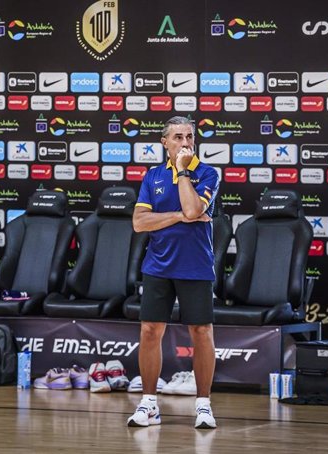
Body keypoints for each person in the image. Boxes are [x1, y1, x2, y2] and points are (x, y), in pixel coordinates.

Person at [127, 116, 220, 429]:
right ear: (164, 142)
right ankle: (149, 404)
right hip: (158, 265)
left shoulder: (207, 173)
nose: (185, 143)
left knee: (201, 333)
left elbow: (196, 210)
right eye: (178, 137)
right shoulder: (152, 176)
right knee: (150, 331)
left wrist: (183, 173)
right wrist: (180, 215)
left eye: (189, 137)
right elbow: (140, 223)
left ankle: (204, 405)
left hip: (195, 266)